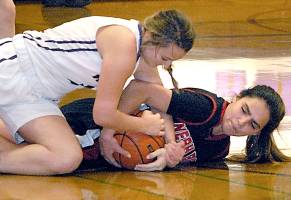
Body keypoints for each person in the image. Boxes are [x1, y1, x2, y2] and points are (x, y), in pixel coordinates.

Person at [0, 5, 195, 175]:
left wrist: (170, 143)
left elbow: (159, 98)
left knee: (66, 158)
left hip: (38, 97)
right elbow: (102, 115)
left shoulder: (143, 51)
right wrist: (142, 125)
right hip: (13, 69)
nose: (165, 64)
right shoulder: (124, 44)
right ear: (153, 37)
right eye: (164, 58)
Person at [58, 79, 291, 172]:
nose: (240, 123)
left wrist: (171, 159)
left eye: (252, 124)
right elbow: (142, 88)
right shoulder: (205, 107)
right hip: (89, 123)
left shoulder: (218, 150)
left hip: (102, 157)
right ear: (238, 96)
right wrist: (109, 129)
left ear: (258, 132)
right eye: (244, 110)